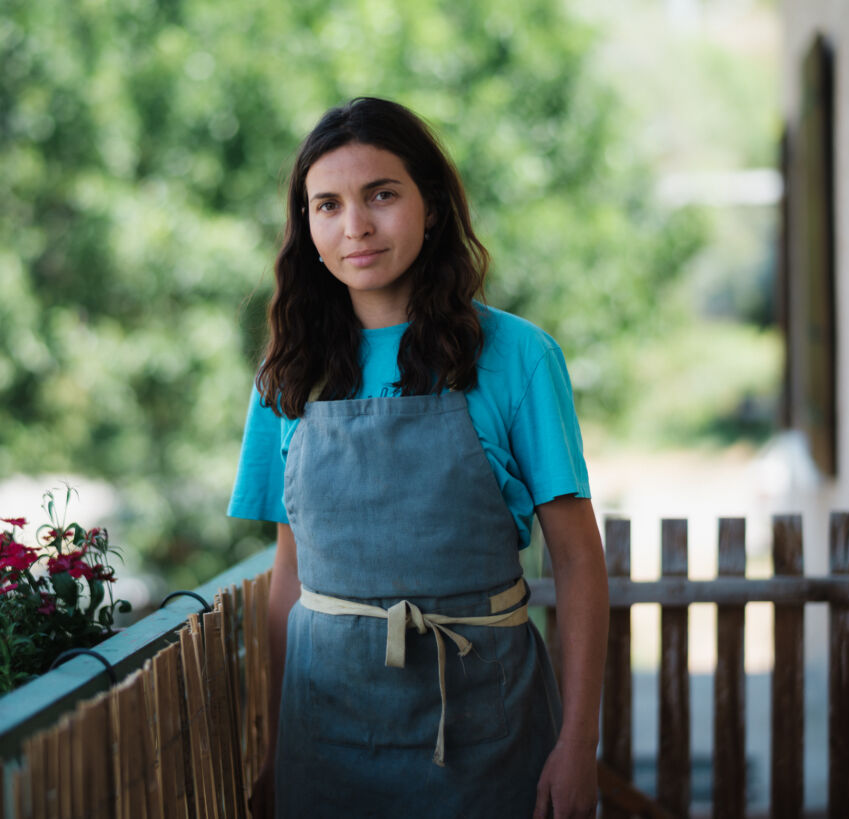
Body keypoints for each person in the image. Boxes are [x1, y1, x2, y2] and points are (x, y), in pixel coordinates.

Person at [228, 97, 609, 819]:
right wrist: (279, 747)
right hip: (324, 741)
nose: (356, 226)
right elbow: (288, 579)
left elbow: (579, 560)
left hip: (487, 736)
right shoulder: (287, 375)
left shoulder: (519, 357)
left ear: (431, 206)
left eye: (381, 195)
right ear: (306, 226)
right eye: (327, 205)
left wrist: (576, 744)